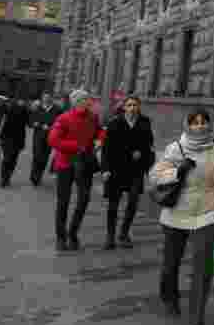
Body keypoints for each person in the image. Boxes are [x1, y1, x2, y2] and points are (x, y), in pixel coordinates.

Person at [148, 109, 214, 325]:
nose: (200, 126)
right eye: (195, 123)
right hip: (178, 213)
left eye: (204, 122)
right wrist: (177, 171)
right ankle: (169, 295)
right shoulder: (176, 148)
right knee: (171, 263)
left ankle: (197, 321)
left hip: (207, 211)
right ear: (187, 125)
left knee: (204, 269)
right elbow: (155, 176)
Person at [48, 89, 106, 252]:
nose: (89, 102)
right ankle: (61, 237)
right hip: (66, 164)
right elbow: (53, 140)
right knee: (63, 202)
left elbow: (100, 130)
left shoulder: (92, 117)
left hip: (85, 164)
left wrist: (100, 140)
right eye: (85, 100)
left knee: (84, 200)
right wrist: (76, 146)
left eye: (88, 100)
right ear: (76, 102)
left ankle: (73, 233)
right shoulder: (63, 118)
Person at [101, 96, 155, 249]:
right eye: (129, 105)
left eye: (135, 105)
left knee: (133, 201)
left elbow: (149, 144)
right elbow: (106, 149)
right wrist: (105, 169)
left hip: (135, 170)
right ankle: (110, 236)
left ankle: (124, 233)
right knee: (113, 204)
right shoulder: (115, 123)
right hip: (116, 169)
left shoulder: (145, 122)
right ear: (124, 107)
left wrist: (143, 156)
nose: (132, 108)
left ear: (139, 107)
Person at [29, 93, 63, 186]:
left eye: (48, 98)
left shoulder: (57, 109)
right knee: (37, 155)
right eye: (44, 98)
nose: (46, 99)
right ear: (42, 98)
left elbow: (60, 122)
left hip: (50, 136)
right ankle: (34, 176)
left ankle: (38, 176)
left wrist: (51, 127)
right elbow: (30, 119)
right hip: (38, 135)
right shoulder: (37, 108)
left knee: (44, 157)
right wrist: (33, 123)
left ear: (51, 99)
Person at [0, 99, 29, 187]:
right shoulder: (17, 110)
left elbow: (4, 124)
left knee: (9, 159)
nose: (21, 102)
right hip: (12, 139)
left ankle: (5, 178)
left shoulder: (21, 111)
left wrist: (0, 137)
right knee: (10, 159)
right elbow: (5, 124)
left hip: (12, 139)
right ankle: (5, 178)